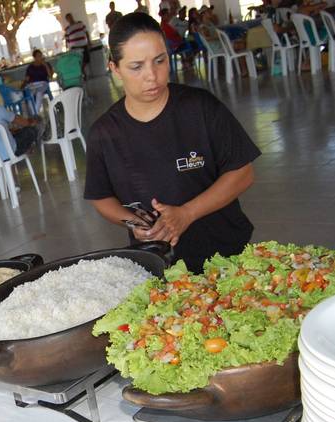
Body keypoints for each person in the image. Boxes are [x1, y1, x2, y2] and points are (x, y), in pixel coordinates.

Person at [84, 13, 259, 273]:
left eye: (160, 60)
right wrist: (135, 223)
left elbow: (243, 173)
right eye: (136, 67)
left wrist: (186, 213)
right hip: (158, 262)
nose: (151, 76)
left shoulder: (200, 107)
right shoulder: (104, 133)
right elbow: (100, 197)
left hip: (225, 253)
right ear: (115, 68)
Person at [21, 49, 54, 114]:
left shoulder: (46, 64)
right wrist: (23, 85)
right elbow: (27, 79)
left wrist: (45, 65)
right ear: (34, 57)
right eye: (38, 56)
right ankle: (35, 114)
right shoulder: (30, 67)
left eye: (41, 55)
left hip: (43, 83)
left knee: (39, 93)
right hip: (32, 84)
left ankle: (35, 114)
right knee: (30, 94)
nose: (40, 57)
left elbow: (50, 76)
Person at [64, 13, 91, 78]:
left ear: (72, 17)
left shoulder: (80, 24)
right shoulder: (67, 29)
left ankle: (82, 71)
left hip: (83, 45)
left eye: (70, 17)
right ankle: (82, 73)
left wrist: (89, 42)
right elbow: (67, 39)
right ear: (67, 20)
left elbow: (86, 32)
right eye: (68, 18)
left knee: (86, 60)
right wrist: (67, 48)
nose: (69, 19)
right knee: (78, 61)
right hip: (74, 48)